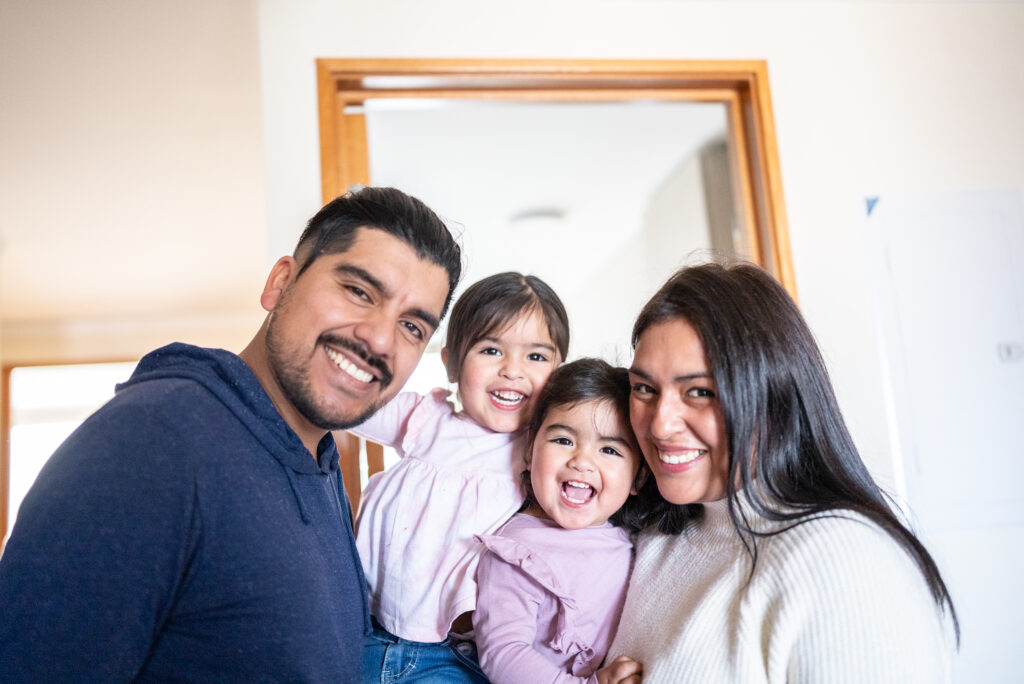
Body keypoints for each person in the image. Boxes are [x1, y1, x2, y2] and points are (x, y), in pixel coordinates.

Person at [0, 186, 462, 682]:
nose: (379, 339)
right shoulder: (154, 440)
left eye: (413, 327)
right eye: (358, 291)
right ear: (281, 283)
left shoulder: (319, 467)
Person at [607, 262, 959, 683]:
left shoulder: (843, 560)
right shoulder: (652, 538)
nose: (660, 424)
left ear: (775, 395)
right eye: (644, 388)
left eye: (700, 392)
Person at [352, 271, 569, 683]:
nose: (512, 371)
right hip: (366, 631)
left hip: (458, 655)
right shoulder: (425, 420)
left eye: (536, 357)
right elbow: (348, 400)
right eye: (491, 350)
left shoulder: (542, 452)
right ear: (451, 363)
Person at [473, 358, 647, 684]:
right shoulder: (517, 552)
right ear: (529, 452)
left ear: (639, 477)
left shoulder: (634, 541)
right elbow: (503, 653)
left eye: (609, 450)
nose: (582, 460)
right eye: (563, 440)